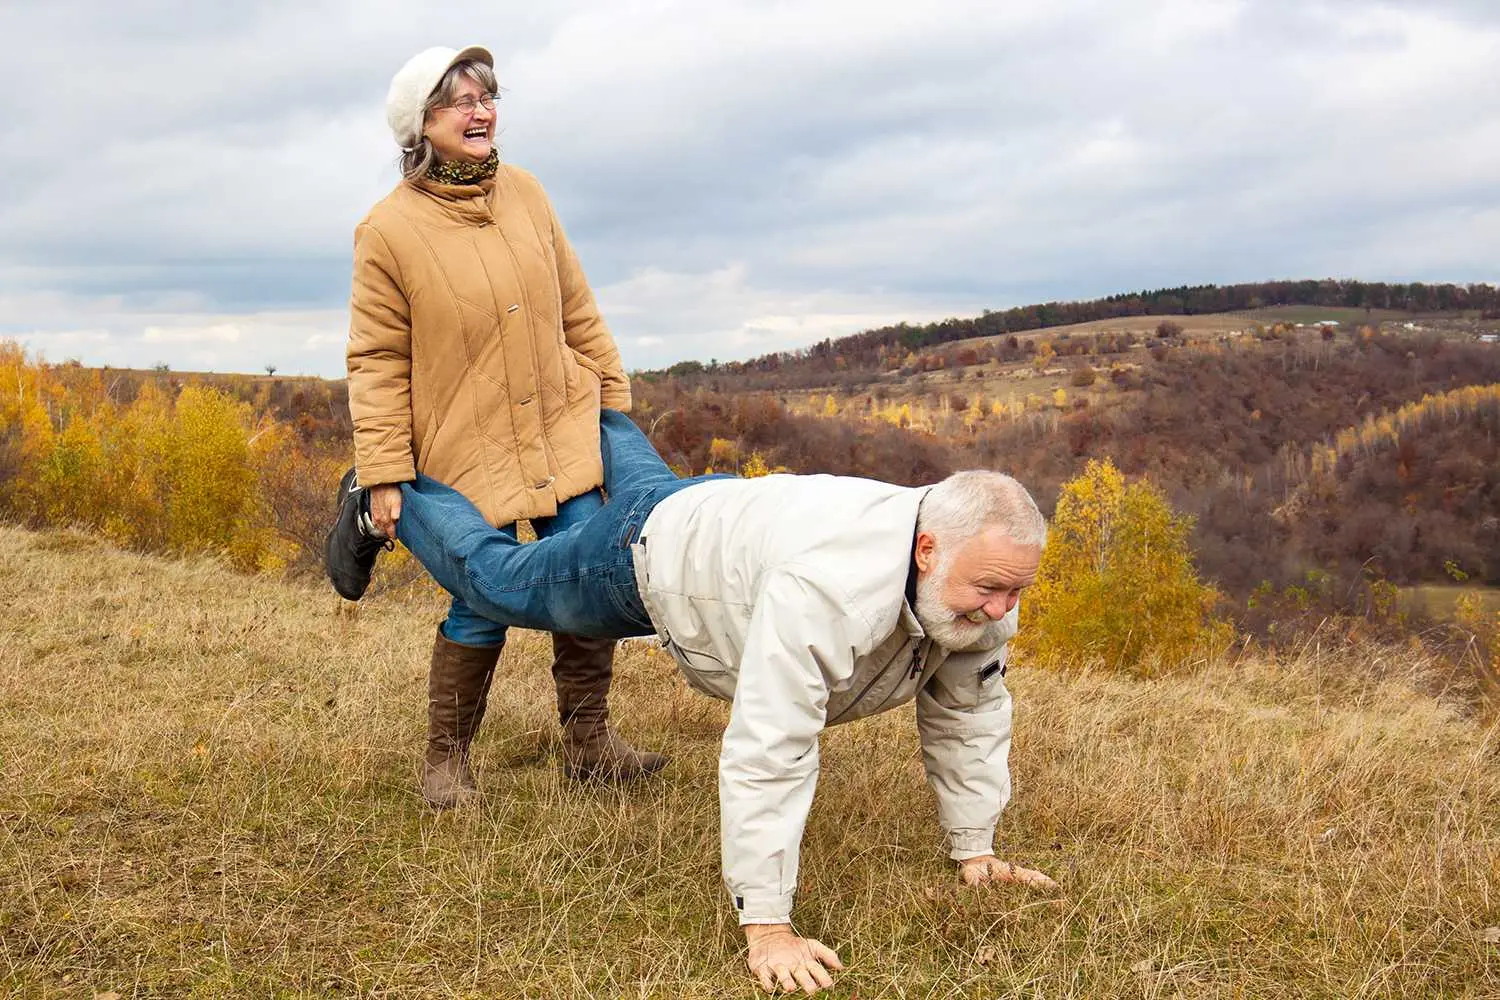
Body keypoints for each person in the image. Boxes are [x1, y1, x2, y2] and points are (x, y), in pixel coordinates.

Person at [330, 410, 1059, 996]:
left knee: (650, 478)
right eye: (989, 587)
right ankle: (382, 490)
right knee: (496, 579)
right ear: (927, 549)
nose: (999, 609)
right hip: (642, 556)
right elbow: (771, 749)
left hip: (711, 504)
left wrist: (977, 850)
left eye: (1015, 591)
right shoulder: (829, 591)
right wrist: (768, 928)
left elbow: (970, 715)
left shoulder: (975, 591)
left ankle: (588, 397)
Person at [328, 44, 665, 809]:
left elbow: (576, 304)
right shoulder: (386, 231)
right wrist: (383, 468)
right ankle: (445, 764)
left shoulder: (529, 194)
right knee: (481, 594)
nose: (480, 112)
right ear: (421, 126)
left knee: (591, 567)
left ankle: (589, 745)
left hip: (559, 424)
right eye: (459, 102)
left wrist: (611, 400)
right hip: (462, 442)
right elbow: (376, 359)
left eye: (486, 96)